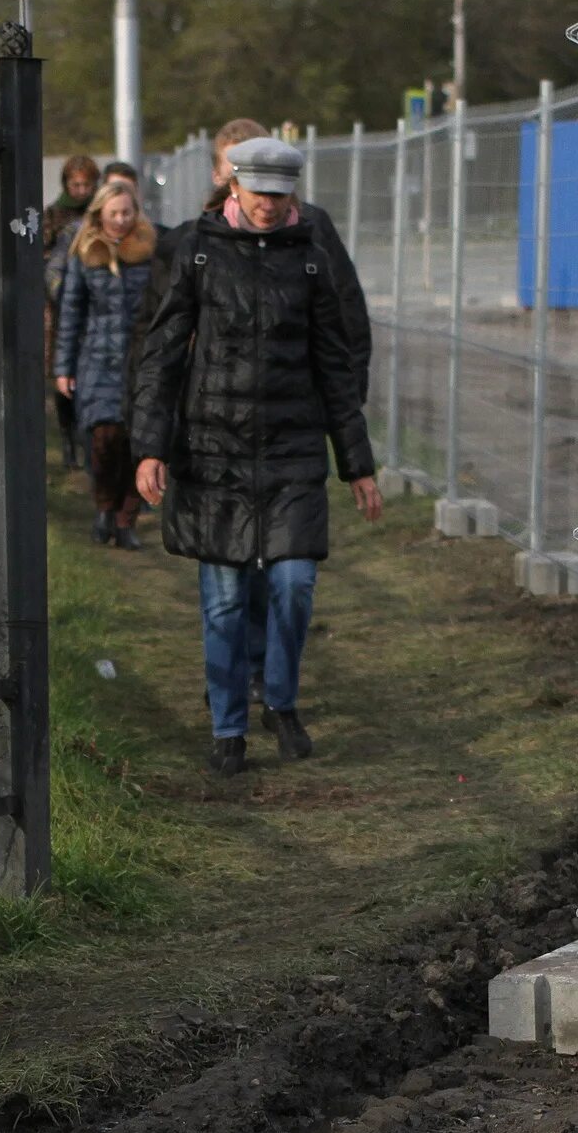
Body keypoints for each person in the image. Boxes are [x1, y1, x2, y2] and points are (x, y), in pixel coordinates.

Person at [132, 138, 381, 776]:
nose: (268, 205)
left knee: (294, 583)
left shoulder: (312, 261)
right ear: (234, 187)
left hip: (293, 449)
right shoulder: (196, 251)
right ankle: (228, 728)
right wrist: (150, 448)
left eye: (279, 193)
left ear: (292, 193)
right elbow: (160, 355)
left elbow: (335, 364)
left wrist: (358, 464)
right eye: (258, 191)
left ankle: (281, 699)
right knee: (222, 598)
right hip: (211, 450)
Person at [52, 177, 155, 549]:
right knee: (102, 439)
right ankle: (103, 507)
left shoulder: (148, 250)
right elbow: (70, 312)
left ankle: (126, 520)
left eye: (127, 212)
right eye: (114, 213)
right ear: (100, 214)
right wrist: (63, 367)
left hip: (140, 363)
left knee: (136, 442)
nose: (121, 220)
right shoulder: (84, 253)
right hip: (96, 361)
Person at [43, 155, 101, 469]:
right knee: (62, 372)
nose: (80, 190)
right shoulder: (53, 215)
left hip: (93, 303)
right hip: (59, 305)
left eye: (86, 184)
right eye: (75, 184)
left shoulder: (99, 213)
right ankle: (67, 438)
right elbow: (41, 255)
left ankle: (84, 435)